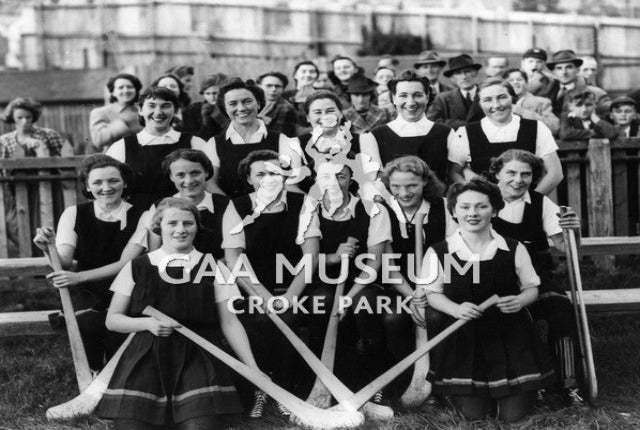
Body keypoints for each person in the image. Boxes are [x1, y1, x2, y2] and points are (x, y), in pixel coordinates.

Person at [97, 197, 261, 429]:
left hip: (200, 354)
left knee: (200, 425)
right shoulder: (137, 266)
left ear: (197, 226)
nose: (181, 230)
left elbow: (230, 323)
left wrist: (252, 368)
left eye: (188, 223)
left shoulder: (214, 266)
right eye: (172, 223)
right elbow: (112, 320)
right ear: (158, 227)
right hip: (148, 353)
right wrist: (147, 324)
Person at [419, 178, 553, 423]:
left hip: (510, 335)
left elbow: (531, 288)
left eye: (481, 206)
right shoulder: (440, 251)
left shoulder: (513, 248)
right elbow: (432, 294)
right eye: (465, 207)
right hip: (465, 340)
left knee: (512, 417)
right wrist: (456, 308)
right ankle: (459, 395)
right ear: (453, 211)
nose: (473, 213)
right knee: (474, 417)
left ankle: (526, 389)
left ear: (495, 210)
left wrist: (521, 301)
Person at [222, 150, 320, 416]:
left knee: (286, 316)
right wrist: (263, 296)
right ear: (249, 179)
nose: (269, 179)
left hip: (297, 286)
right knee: (259, 319)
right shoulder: (238, 206)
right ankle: (260, 390)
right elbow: (234, 258)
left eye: (275, 172)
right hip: (253, 287)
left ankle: (285, 393)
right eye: (261, 174)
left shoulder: (303, 203)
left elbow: (310, 256)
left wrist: (290, 295)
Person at [488, 149, 584, 405]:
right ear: (497, 173)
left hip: (536, 278)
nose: (518, 180)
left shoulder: (541, 203)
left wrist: (573, 231)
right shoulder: (482, 200)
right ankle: (520, 383)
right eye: (511, 172)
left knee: (561, 309)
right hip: (492, 281)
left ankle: (568, 385)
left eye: (526, 174)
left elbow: (567, 247)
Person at [33, 154, 145, 371]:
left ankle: (118, 376)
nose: (106, 188)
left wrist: (77, 277)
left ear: (125, 182)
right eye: (97, 182)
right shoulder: (74, 213)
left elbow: (126, 263)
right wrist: (48, 247)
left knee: (119, 341)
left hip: (126, 286)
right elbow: (64, 261)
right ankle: (92, 375)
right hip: (86, 289)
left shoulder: (142, 215)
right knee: (86, 325)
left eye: (113, 180)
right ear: (87, 186)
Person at [312, 160, 393, 400]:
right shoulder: (309, 210)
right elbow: (308, 258)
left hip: (363, 283)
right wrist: (334, 257)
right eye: (327, 177)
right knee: (321, 303)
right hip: (323, 282)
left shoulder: (373, 210)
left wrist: (348, 298)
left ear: (351, 179)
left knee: (364, 306)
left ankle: (374, 384)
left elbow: (375, 263)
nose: (334, 183)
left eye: (342, 177)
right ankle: (323, 384)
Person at [379, 156, 452, 373]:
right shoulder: (381, 211)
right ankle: (407, 376)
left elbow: (451, 256)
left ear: (425, 182)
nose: (404, 193)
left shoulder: (444, 207)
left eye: (412, 185)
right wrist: (411, 296)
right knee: (393, 318)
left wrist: (427, 292)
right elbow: (388, 266)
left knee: (435, 317)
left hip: (437, 286)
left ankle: (440, 377)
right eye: (396, 186)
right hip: (399, 286)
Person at [448, 78, 563, 195]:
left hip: (526, 205)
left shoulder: (537, 128)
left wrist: (531, 202)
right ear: (479, 104)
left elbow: (555, 173)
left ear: (512, 98)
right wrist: (475, 196)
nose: (496, 105)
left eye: (502, 97)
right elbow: (454, 172)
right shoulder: (466, 133)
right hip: (486, 208)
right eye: (487, 100)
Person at [106, 87, 215, 208]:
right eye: (151, 106)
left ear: (175, 111)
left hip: (185, 215)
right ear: (140, 110)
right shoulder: (121, 147)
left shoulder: (195, 143)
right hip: (137, 216)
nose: (158, 112)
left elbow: (209, 185)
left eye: (165, 106)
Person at [1, 97, 72, 256]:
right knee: (15, 226)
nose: (24, 121)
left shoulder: (48, 134)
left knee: (49, 222)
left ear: (33, 117)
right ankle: (31, 256)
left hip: (49, 188)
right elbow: (4, 170)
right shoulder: (5, 140)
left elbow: (62, 162)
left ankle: (52, 259)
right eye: (20, 117)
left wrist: (40, 147)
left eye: (28, 117)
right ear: (13, 118)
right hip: (18, 188)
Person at [130, 149, 230, 259]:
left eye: (195, 173)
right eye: (180, 175)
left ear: (206, 172)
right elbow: (155, 252)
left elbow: (232, 254)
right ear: (171, 177)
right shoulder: (159, 207)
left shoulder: (227, 205)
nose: (189, 181)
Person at [360, 70, 453, 184]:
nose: (411, 102)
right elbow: (375, 182)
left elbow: (453, 176)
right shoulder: (374, 136)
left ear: (427, 97)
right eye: (403, 95)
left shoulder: (447, 133)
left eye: (417, 95)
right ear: (394, 98)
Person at [207, 78, 292, 198]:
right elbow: (209, 184)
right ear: (225, 109)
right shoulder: (214, 143)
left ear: (258, 104)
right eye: (233, 104)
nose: (241, 108)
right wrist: (234, 208)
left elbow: (289, 182)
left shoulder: (281, 140)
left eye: (247, 101)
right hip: (230, 210)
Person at [285, 90, 360, 192]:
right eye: (317, 112)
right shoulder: (296, 144)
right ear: (307, 117)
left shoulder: (362, 140)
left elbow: (372, 180)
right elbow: (291, 186)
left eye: (330, 111)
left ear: (341, 114)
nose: (325, 116)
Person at [542, 50, 609, 117]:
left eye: (569, 67)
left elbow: (610, 114)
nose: (564, 72)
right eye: (559, 68)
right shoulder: (546, 92)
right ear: (554, 72)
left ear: (577, 70)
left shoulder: (596, 93)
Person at [427, 54, 485, 129]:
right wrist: (462, 124)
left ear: (475, 73)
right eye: (458, 73)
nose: (464, 77)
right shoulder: (443, 99)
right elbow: (431, 121)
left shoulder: (486, 94)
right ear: (452, 78)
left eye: (467, 71)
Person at [90, 73, 144, 151]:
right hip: (115, 158)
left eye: (130, 87)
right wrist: (120, 126)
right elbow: (98, 140)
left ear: (136, 90)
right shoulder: (101, 112)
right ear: (113, 92)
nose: (125, 91)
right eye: (120, 88)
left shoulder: (143, 111)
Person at [503, 68, 560, 135]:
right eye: (511, 80)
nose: (515, 82)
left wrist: (523, 112)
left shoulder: (541, 102)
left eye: (519, 79)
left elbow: (555, 127)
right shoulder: (500, 104)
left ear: (526, 83)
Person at [183, 73, 230, 141]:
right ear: (203, 93)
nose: (212, 97)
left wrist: (219, 117)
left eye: (215, 93)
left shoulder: (231, 108)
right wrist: (206, 122)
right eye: (207, 94)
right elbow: (191, 137)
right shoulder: (193, 109)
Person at [257, 71, 299, 137]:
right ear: (259, 87)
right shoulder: (253, 102)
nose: (273, 89)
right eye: (269, 86)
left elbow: (278, 137)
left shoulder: (286, 109)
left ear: (283, 89)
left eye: (278, 86)